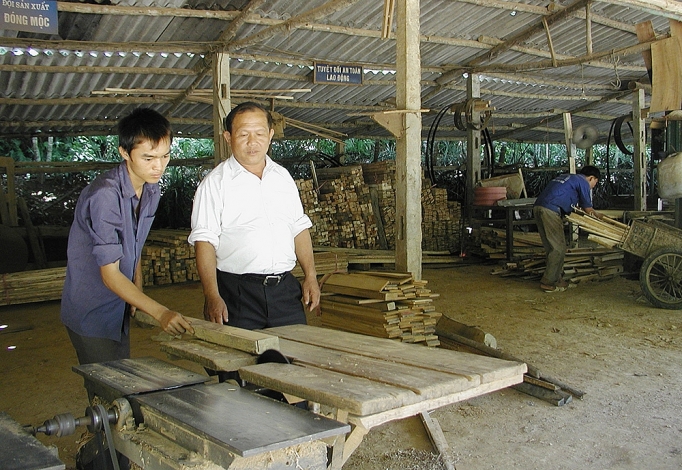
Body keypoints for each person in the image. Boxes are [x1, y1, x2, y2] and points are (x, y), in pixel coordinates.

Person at [61, 108, 194, 367]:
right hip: (92, 310)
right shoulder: (104, 196)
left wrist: (137, 288)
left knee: (122, 376)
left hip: (119, 305)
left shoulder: (151, 189)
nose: (159, 166)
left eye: (165, 156)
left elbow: (135, 244)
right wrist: (160, 312)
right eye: (148, 158)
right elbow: (109, 274)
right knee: (107, 389)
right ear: (124, 152)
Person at [188, 102, 320, 334]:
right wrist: (212, 295)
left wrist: (310, 276)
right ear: (228, 137)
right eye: (243, 134)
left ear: (270, 135)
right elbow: (204, 242)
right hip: (237, 295)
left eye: (259, 133)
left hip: (285, 293)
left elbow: (298, 229)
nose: (252, 142)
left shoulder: (283, 177)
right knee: (237, 364)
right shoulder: (215, 184)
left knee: (293, 362)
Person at [533, 165, 602, 293]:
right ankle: (548, 282)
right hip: (551, 210)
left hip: (538, 207)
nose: (593, 186)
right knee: (559, 248)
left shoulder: (568, 177)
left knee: (551, 247)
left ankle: (557, 279)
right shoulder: (583, 182)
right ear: (591, 178)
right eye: (595, 183)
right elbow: (588, 209)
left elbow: (575, 205)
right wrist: (600, 218)